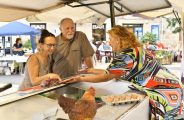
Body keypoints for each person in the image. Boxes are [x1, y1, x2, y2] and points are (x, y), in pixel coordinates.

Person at [61, 25, 183, 119]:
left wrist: (81, 78)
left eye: (110, 39)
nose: (109, 42)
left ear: (118, 40)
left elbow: (107, 76)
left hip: (163, 91)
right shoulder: (136, 50)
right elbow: (114, 72)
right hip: (173, 86)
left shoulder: (126, 55)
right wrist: (90, 70)